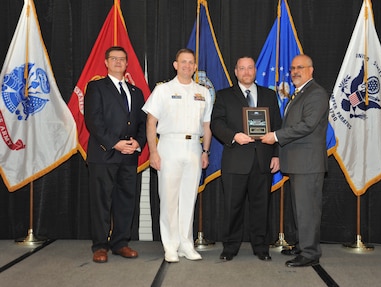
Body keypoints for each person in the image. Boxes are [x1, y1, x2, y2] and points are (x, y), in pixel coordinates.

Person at [142, 48, 212, 263]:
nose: (187, 66)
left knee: (189, 199)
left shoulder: (203, 92)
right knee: (169, 199)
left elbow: (207, 125)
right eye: (183, 62)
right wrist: (153, 152)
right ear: (175, 65)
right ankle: (170, 246)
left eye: (191, 62)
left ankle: (186, 244)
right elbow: (151, 122)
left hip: (194, 148)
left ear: (195, 66)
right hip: (169, 146)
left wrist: (206, 152)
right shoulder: (163, 90)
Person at [211, 56, 282, 261]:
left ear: (255, 70)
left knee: (261, 207)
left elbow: (278, 125)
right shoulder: (224, 95)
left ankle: (261, 248)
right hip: (235, 161)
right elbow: (216, 123)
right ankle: (230, 248)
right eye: (242, 68)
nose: (246, 72)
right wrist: (234, 136)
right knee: (233, 206)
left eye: (250, 68)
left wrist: (276, 155)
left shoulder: (269, 95)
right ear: (236, 71)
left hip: (263, 160)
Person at [261, 54, 329, 267]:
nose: (295, 71)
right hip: (298, 162)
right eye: (292, 68)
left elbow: (307, 125)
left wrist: (276, 136)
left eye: (300, 67)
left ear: (311, 69)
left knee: (307, 209)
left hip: (308, 164)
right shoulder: (299, 93)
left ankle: (309, 253)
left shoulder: (316, 93)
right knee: (301, 208)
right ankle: (302, 245)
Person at [84, 46, 147, 263]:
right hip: (104, 155)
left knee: (126, 201)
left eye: (122, 59)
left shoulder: (136, 92)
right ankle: (100, 246)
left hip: (129, 156)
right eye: (114, 59)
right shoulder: (95, 87)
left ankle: (120, 243)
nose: (118, 62)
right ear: (106, 62)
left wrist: (138, 142)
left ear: (127, 64)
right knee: (101, 201)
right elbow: (93, 120)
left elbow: (142, 123)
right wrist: (115, 143)